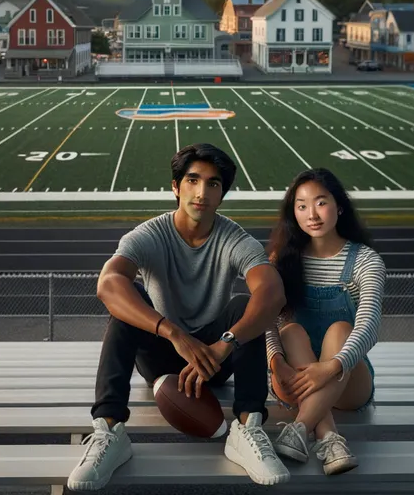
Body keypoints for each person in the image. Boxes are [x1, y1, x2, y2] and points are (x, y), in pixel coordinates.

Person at [67, 143, 291, 491]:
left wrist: (225, 343)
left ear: (222, 194)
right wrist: (173, 333)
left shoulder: (234, 239)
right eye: (193, 180)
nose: (202, 192)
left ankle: (248, 427)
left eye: (213, 184)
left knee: (246, 304)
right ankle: (109, 430)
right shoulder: (150, 234)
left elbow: (273, 293)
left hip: (216, 356)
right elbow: (108, 284)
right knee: (129, 299)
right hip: (161, 354)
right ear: (176, 186)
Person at [265, 168, 386, 476]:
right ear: (293, 212)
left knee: (341, 329)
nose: (312, 214)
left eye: (321, 202)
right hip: (294, 375)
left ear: (339, 206)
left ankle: (300, 429)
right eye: (302, 205)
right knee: (289, 331)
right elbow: (267, 320)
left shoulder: (365, 260)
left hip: (346, 377)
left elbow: (369, 327)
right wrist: (275, 362)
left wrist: (331, 367)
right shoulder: (282, 258)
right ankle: (331, 441)